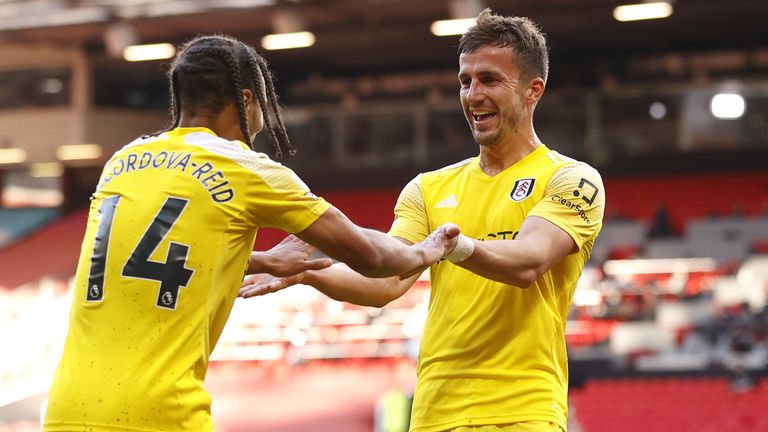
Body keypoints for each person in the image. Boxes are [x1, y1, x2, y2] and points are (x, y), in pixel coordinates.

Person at [43, 35, 459, 432]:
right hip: (157, 411)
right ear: (246, 100)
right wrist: (428, 249)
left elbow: (137, 255)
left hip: (65, 408)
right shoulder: (247, 169)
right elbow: (373, 257)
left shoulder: (123, 160)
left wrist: (260, 260)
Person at [242, 9, 605, 432]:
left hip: (522, 411)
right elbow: (386, 281)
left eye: (489, 79)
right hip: (435, 413)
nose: (473, 95)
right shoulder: (427, 188)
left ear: (532, 90)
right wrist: (308, 272)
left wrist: (453, 245)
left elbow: (528, 260)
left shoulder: (572, 178)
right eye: (465, 81)